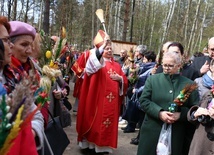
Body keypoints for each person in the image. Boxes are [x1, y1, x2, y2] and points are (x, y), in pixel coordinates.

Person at [76, 30, 128, 155]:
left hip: (112, 103)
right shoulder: (97, 61)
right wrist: (102, 46)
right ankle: (91, 145)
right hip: (96, 101)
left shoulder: (116, 65)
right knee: (94, 123)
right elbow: (89, 69)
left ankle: (103, 147)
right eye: (107, 48)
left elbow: (125, 81)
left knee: (107, 125)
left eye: (111, 48)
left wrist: (120, 79)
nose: (109, 51)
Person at [137, 51, 199, 155]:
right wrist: (159, 112)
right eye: (164, 65)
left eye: (170, 65)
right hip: (152, 129)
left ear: (179, 66)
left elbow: (194, 108)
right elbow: (144, 100)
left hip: (176, 132)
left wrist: (180, 115)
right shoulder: (153, 80)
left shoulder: (189, 84)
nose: (166, 68)